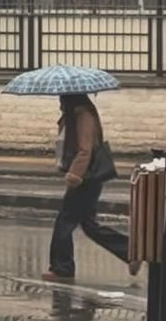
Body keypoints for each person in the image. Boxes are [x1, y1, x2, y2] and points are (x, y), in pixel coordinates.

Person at [44, 93, 140, 283]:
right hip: (86, 177)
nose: (60, 102)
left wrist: (74, 175)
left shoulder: (83, 116)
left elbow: (85, 149)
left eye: (63, 99)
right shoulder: (75, 115)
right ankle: (130, 252)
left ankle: (62, 269)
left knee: (64, 222)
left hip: (85, 178)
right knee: (89, 225)